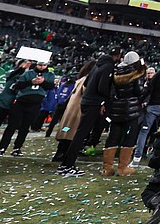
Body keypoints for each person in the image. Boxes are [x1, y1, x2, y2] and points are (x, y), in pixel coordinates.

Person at [57, 46, 122, 177]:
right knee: (81, 134)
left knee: (79, 133)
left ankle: (66, 163)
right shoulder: (108, 66)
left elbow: (87, 82)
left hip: (86, 101)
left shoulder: (97, 64)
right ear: (117, 56)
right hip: (93, 103)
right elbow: (102, 87)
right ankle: (67, 165)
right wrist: (104, 101)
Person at [0, 59, 55, 156]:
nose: (42, 67)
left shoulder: (50, 75)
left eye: (44, 65)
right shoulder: (28, 73)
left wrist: (43, 82)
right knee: (12, 126)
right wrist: (31, 82)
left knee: (25, 128)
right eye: (40, 65)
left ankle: (17, 148)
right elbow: (18, 85)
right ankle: (2, 148)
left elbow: (51, 86)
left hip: (35, 104)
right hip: (21, 102)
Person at [104, 50, 147, 176]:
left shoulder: (117, 72)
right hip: (131, 109)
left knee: (113, 136)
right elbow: (139, 92)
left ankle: (107, 168)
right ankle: (123, 168)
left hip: (116, 109)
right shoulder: (137, 74)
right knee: (129, 137)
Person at [52, 59, 96, 162]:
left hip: (70, 112)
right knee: (71, 133)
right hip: (77, 111)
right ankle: (64, 155)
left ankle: (60, 153)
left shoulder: (79, 78)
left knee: (66, 131)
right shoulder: (87, 80)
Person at [0, 58, 30, 155]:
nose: (27, 65)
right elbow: (10, 76)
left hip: (8, 105)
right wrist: (21, 69)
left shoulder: (27, 77)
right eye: (24, 63)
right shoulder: (10, 72)